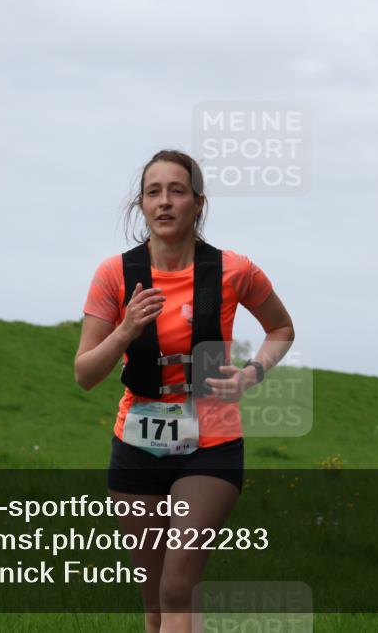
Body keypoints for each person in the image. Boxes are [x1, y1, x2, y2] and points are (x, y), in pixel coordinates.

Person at [74, 149, 295, 633]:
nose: (165, 202)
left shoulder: (234, 270)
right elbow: (85, 374)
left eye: (177, 191)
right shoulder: (115, 274)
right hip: (135, 443)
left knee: (178, 586)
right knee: (154, 600)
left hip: (211, 444)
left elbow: (281, 329)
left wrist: (250, 374)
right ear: (141, 205)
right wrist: (125, 329)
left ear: (198, 202)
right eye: (153, 192)